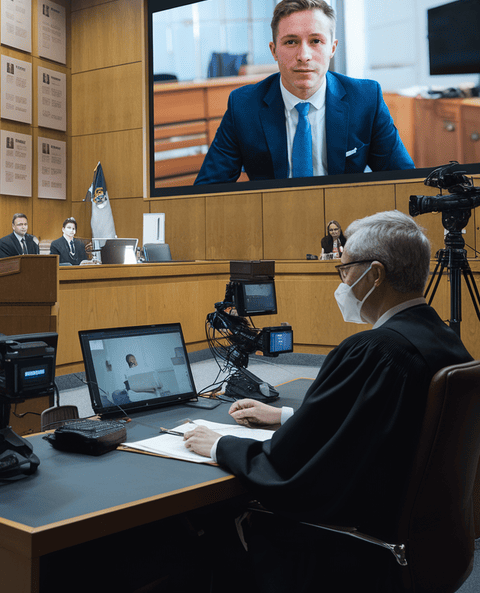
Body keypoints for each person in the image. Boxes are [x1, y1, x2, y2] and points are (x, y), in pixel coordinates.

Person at [183, 210, 472, 592]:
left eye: (345, 270)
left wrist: (220, 444)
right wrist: (287, 415)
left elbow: (291, 468)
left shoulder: (373, 351)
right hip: (427, 541)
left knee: (204, 522)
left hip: (351, 549)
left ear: (375, 274)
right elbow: (378, 426)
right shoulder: (447, 341)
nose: (342, 282)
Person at [194, 0, 414, 184]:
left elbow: (403, 180)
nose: (304, 56)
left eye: (316, 41)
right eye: (291, 42)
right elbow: (207, 188)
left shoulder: (366, 99)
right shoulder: (243, 106)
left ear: (332, 48)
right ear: (274, 51)